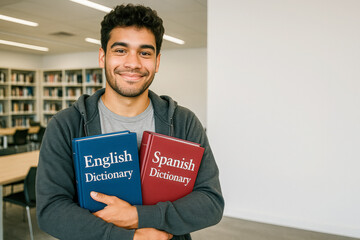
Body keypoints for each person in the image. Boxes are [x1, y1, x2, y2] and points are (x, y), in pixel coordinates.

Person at [36, 4, 224, 240]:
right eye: (121, 51)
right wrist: (130, 238)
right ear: (103, 56)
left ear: (157, 61)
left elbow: (211, 202)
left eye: (145, 53)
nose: (133, 63)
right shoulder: (66, 125)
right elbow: (51, 211)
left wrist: (138, 216)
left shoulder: (183, 122)